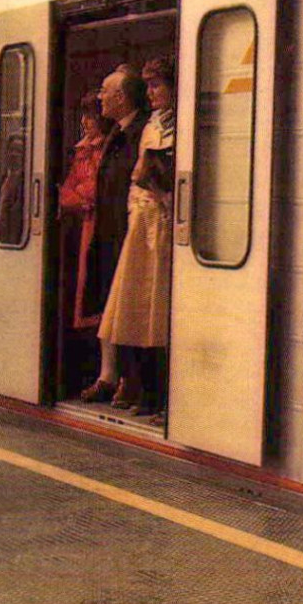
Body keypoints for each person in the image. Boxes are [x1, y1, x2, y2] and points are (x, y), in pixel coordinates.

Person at [97, 57, 176, 416]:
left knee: (155, 308)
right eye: (148, 86)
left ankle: (155, 391)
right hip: (141, 220)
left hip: (159, 219)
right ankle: (141, 385)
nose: (151, 93)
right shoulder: (154, 124)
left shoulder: (171, 124)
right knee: (137, 306)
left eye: (157, 85)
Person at [77, 64, 149, 405]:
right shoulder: (119, 133)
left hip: (126, 233)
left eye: (106, 92)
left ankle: (128, 379)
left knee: (125, 307)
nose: (102, 97)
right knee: (109, 305)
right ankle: (112, 375)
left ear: (121, 97)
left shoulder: (137, 134)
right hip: (110, 232)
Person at [58, 92, 112, 329]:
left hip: (104, 225)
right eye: (83, 116)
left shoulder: (109, 148)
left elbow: (98, 188)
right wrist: (83, 198)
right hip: (85, 224)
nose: (84, 122)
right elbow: (65, 195)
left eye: (90, 116)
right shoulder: (81, 151)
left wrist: (82, 192)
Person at [0, 133, 28, 245]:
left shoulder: (25, 184)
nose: (14, 154)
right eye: (11, 150)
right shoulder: (0, 180)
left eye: (18, 151)